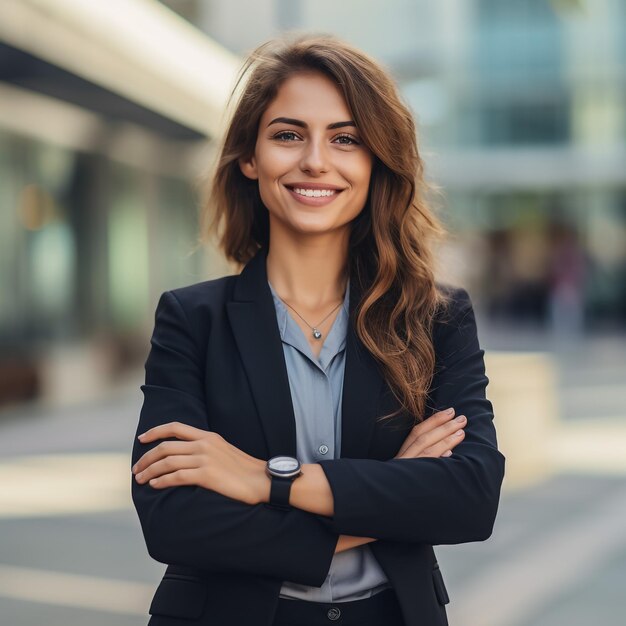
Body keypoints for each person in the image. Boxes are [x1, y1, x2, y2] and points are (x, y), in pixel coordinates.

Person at [130, 33, 505, 626]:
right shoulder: (189, 319)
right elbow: (173, 522)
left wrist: (264, 481)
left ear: (376, 160)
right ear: (250, 158)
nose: (314, 160)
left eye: (345, 139)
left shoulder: (436, 318)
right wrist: (390, 496)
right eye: (287, 135)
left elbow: (470, 499)